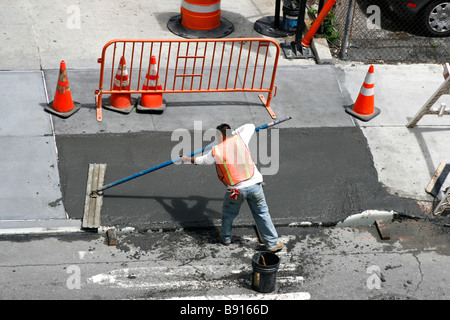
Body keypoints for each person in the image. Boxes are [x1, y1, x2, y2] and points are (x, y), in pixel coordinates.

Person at [180, 123, 283, 252]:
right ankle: (272, 243)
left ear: (219, 136)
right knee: (262, 213)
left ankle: (226, 238)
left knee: (228, 215)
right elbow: (250, 126)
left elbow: (201, 161)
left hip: (236, 191)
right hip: (255, 185)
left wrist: (186, 158)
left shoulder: (216, 151)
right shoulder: (241, 138)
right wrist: (233, 134)